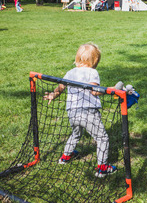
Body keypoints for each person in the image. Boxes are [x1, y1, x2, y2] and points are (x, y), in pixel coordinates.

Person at [43, 43, 117, 178]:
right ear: (95, 61)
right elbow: (94, 91)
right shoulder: (92, 72)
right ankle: (102, 168)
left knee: (76, 133)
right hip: (88, 112)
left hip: (72, 112)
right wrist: (110, 90)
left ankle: (65, 157)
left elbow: (61, 87)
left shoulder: (70, 72)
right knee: (102, 138)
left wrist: (53, 95)